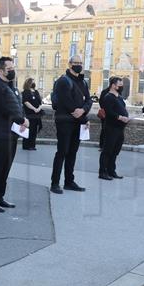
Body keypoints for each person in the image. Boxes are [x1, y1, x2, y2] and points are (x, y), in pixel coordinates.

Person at [0, 57, 28, 212]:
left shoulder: (9, 86)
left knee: (6, 167)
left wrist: (21, 121)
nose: (12, 70)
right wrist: (22, 120)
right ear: (0, 70)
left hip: (11, 133)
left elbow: (16, 107)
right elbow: (5, 109)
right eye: (9, 68)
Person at [50, 55, 92, 194]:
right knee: (62, 152)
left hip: (78, 122)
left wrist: (83, 111)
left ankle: (69, 181)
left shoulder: (83, 82)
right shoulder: (63, 81)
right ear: (70, 64)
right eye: (76, 63)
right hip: (65, 122)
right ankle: (55, 183)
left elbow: (89, 101)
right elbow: (67, 102)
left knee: (72, 153)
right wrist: (82, 115)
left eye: (81, 63)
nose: (79, 65)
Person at [98, 76, 130, 180]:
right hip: (111, 127)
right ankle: (102, 172)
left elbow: (123, 108)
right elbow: (109, 111)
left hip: (120, 128)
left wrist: (126, 117)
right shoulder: (108, 97)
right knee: (107, 150)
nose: (121, 87)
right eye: (119, 85)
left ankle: (111, 170)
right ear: (113, 85)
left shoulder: (119, 97)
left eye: (122, 85)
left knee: (115, 150)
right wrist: (120, 117)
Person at [21, 78, 43, 150]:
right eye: (32, 82)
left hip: (36, 114)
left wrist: (38, 108)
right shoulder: (25, 92)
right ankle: (26, 145)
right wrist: (34, 109)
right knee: (29, 130)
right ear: (28, 83)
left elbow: (40, 102)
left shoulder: (36, 91)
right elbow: (26, 102)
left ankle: (32, 145)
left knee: (34, 130)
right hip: (29, 114)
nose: (33, 84)